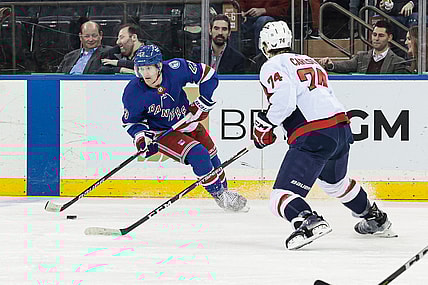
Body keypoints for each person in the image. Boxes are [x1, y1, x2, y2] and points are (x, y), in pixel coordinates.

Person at [252, 21, 397, 250]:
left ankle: (308, 220)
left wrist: (264, 125)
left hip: (315, 133)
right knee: (336, 184)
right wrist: (270, 124)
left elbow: (284, 101)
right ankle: (374, 217)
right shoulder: (309, 61)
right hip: (340, 129)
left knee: (281, 195)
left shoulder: (272, 64)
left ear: (264, 44)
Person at [121, 44, 249, 212]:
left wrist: (203, 101)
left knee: (212, 155)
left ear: (159, 66)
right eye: (141, 69)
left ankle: (225, 194)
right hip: (162, 132)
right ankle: (220, 195)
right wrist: (142, 139)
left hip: (187, 122)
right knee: (199, 154)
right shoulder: (133, 91)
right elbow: (131, 122)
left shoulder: (176, 68)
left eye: (149, 68)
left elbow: (209, 74)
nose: (145, 74)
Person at [319, 20, 408, 74]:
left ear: (389, 38)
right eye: (374, 34)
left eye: (381, 35)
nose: (376, 38)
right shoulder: (361, 57)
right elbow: (346, 65)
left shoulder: (397, 62)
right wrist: (331, 64)